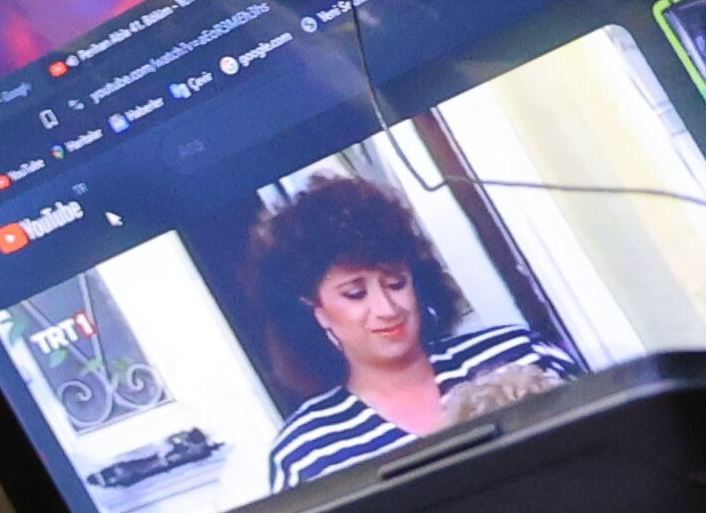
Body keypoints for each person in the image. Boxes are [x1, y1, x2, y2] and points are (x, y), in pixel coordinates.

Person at [243, 166, 580, 490]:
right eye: (355, 293)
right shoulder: (307, 451)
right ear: (317, 313)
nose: (387, 308)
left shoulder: (518, 354)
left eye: (395, 283)